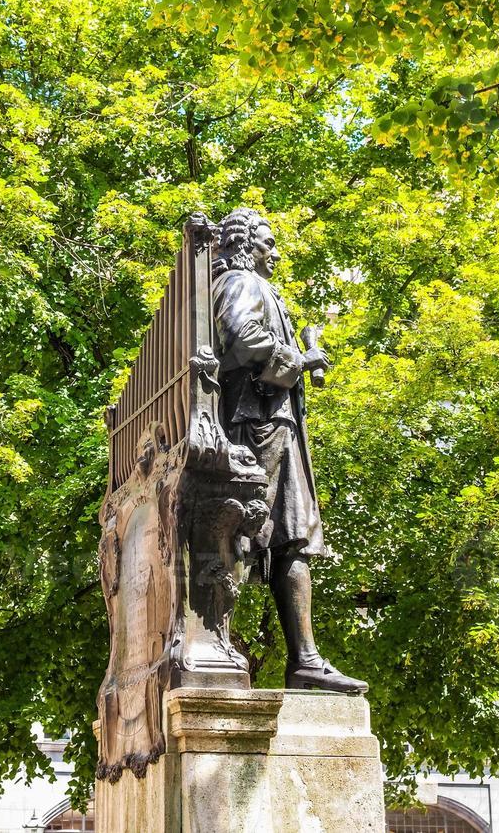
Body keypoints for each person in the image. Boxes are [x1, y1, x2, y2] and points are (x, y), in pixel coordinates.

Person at [212, 207, 367, 693]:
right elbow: (241, 338)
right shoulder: (241, 281)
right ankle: (216, 647)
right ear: (245, 245)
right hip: (258, 423)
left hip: (274, 422)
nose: (274, 253)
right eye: (267, 243)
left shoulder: (256, 285)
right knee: (247, 530)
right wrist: (301, 358)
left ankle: (305, 660)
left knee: (293, 535)